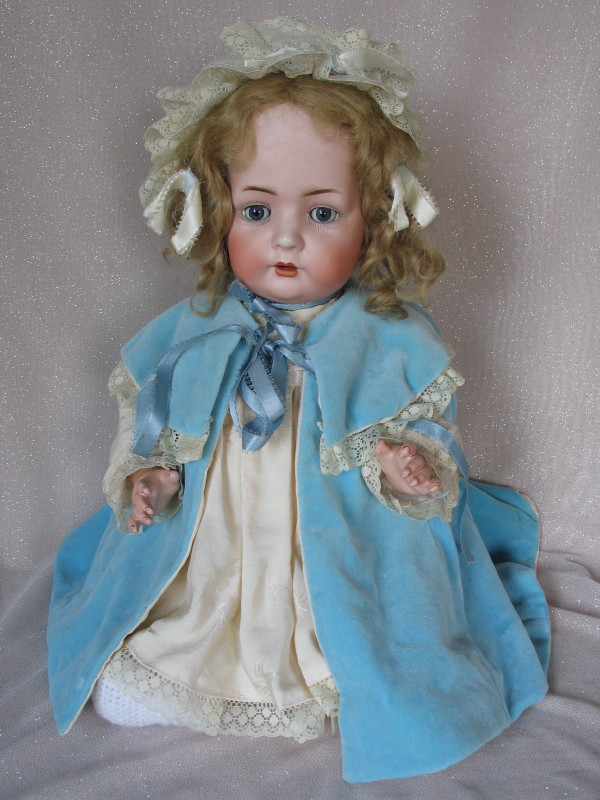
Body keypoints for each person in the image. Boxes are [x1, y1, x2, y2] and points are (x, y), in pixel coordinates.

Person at [48, 18, 550, 783]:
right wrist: (145, 475)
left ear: (373, 219)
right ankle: (196, 666)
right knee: (189, 605)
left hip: (340, 545)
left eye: (320, 213)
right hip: (218, 543)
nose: (285, 239)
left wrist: (408, 463)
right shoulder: (195, 327)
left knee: (351, 615)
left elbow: (430, 427)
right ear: (217, 210)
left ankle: (331, 666)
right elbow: (148, 419)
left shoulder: (390, 336)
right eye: (257, 211)